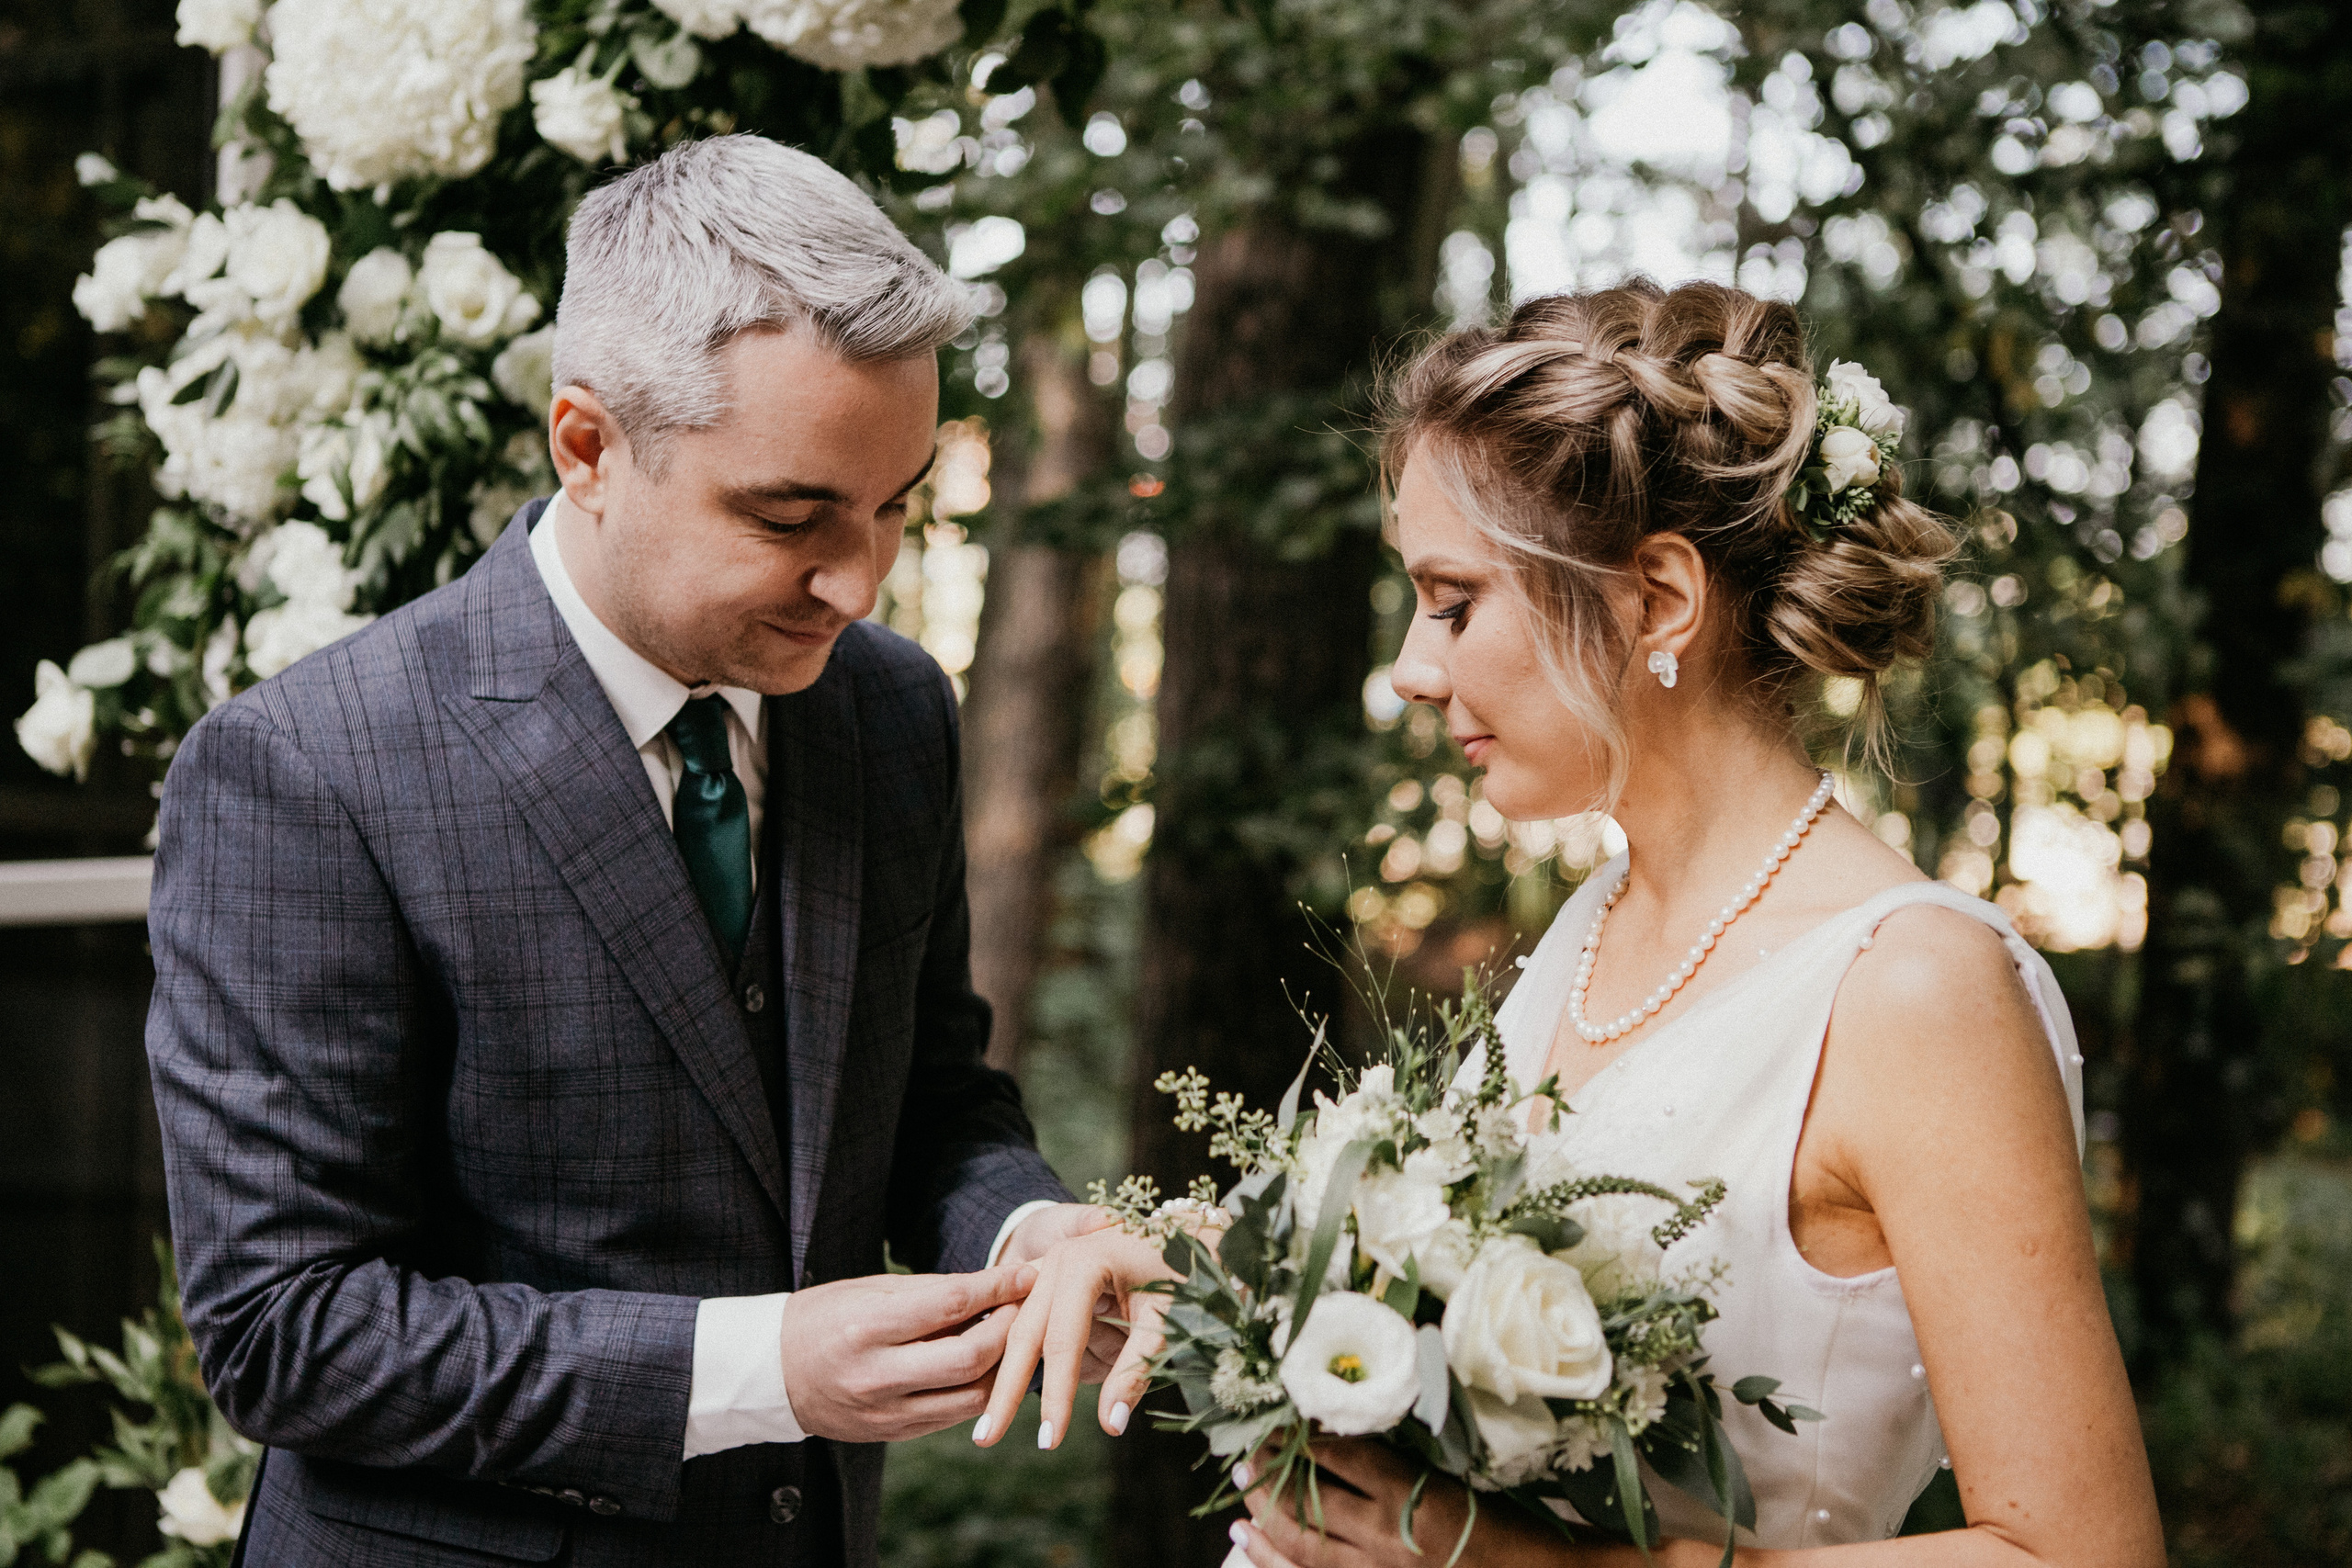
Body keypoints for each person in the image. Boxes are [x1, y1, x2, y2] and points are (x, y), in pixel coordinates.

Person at [142, 134, 1124, 1568]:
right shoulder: (301, 768)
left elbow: (933, 1103)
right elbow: (284, 1331)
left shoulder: (892, 708)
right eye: (791, 516)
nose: (860, 581)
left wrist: (1027, 1230)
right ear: (589, 446)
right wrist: (759, 1372)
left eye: (898, 503)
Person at [1196, 281, 2162, 1565]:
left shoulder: (1916, 988)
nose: (1415, 671)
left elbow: (2085, 1557)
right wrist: (1197, 1276)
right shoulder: (1598, 922)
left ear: (1657, 597)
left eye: (1453, 601)